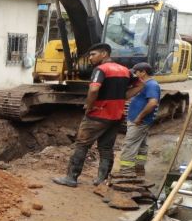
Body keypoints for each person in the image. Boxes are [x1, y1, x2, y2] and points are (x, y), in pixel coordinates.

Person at [53, 43, 131, 187]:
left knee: (82, 144)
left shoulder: (101, 69)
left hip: (98, 114)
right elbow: (140, 85)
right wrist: (122, 98)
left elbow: (94, 89)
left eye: (93, 54)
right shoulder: (125, 70)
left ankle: (71, 177)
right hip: (116, 116)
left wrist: (89, 106)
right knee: (106, 148)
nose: (90, 58)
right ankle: (102, 180)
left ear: (104, 54)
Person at [115, 62, 160, 179]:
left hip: (139, 122)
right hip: (138, 120)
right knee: (141, 145)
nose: (134, 74)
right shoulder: (144, 84)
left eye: (136, 72)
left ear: (143, 72)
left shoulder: (151, 85)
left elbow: (153, 103)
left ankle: (126, 172)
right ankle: (139, 169)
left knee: (129, 144)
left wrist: (139, 117)